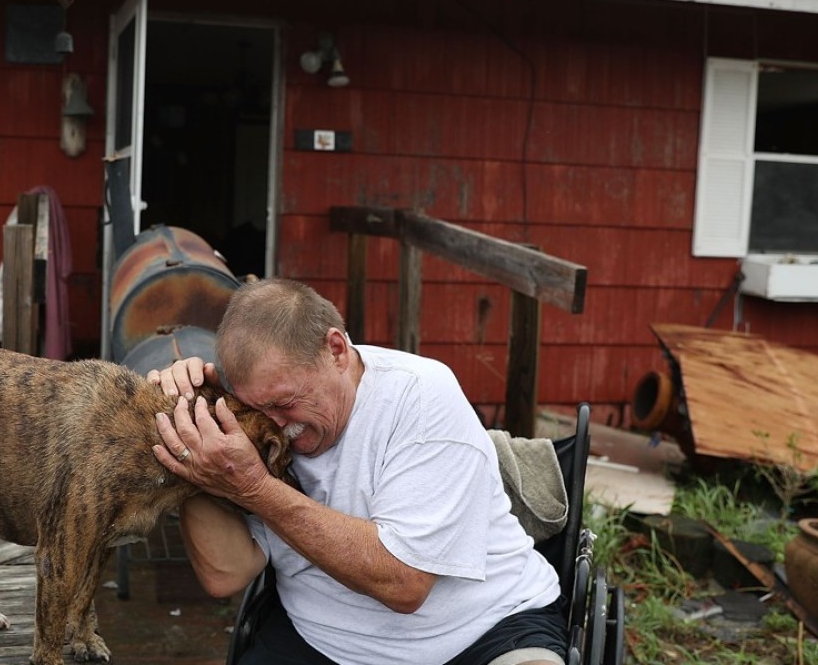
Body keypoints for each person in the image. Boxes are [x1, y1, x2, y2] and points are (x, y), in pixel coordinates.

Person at [149, 278, 567, 665]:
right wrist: (192, 440)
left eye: (284, 402)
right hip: (324, 640)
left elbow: (404, 584)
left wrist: (255, 489)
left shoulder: (419, 397)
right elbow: (227, 574)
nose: (274, 424)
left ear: (336, 350)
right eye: (259, 408)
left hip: (481, 631)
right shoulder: (254, 418)